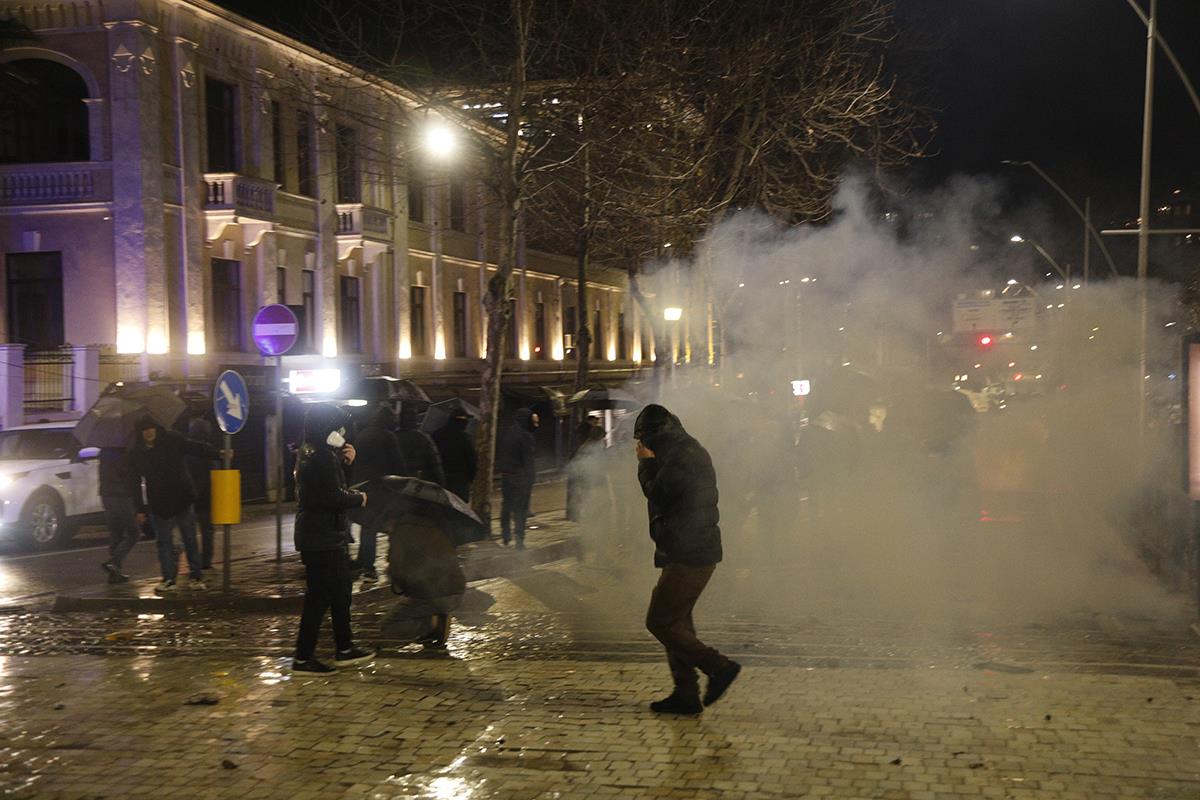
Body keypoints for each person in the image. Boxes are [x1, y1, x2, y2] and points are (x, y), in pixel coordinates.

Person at [635, 403, 740, 715]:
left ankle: (718, 667)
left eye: (643, 440)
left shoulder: (680, 455)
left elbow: (659, 494)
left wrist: (646, 465)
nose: (640, 446)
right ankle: (686, 693)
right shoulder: (682, 451)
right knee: (677, 623)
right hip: (685, 548)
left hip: (690, 552)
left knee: (660, 622)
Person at [291, 403, 375, 673]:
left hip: (323, 535)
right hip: (322, 537)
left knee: (340, 592)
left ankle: (345, 648)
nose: (341, 432)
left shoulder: (311, 452)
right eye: (337, 427)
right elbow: (332, 496)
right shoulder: (321, 457)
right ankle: (303, 658)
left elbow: (330, 487)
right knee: (319, 597)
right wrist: (358, 499)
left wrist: (345, 462)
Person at [127, 415, 221, 593]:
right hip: (159, 503)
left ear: (156, 428)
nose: (148, 432)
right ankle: (169, 579)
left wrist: (218, 453)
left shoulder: (172, 439)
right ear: (140, 433)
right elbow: (134, 482)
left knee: (190, 538)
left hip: (181, 497)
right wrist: (139, 508)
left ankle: (196, 576)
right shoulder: (136, 453)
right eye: (144, 430)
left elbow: (193, 447)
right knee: (164, 542)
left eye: (151, 428)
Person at [381, 512, 467, 653]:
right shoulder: (432, 525)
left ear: (390, 521)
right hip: (455, 591)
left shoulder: (401, 532)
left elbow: (397, 568)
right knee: (419, 606)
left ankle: (433, 624)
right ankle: (434, 633)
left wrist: (396, 581)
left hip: (435, 593)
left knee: (388, 625)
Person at [350, 404, 405, 581]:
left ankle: (364, 561)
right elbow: (397, 464)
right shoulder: (388, 436)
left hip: (362, 485)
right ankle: (375, 566)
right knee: (390, 525)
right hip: (381, 487)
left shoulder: (363, 434)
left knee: (368, 527)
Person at [497, 408, 538, 548]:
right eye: (533, 422)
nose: (535, 425)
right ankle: (519, 539)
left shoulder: (509, 433)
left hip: (506, 476)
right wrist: (531, 478)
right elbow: (528, 460)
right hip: (520, 478)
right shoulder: (525, 436)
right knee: (520, 509)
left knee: (507, 506)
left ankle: (506, 535)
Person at [99, 446, 139, 584]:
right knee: (133, 532)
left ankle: (115, 574)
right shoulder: (122, 453)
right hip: (121, 495)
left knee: (116, 533)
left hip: (106, 495)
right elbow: (125, 473)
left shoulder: (104, 453)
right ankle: (114, 562)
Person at [185, 410, 219, 570]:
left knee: (190, 532)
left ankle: (194, 562)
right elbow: (215, 472)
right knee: (207, 530)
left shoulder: (186, 451)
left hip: (190, 497)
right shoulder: (208, 451)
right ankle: (206, 561)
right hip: (205, 497)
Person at [431, 409, 477, 503]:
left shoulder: (436, 434)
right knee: (460, 508)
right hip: (460, 480)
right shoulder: (464, 437)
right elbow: (472, 460)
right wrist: (471, 478)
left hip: (440, 478)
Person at [395, 403, 445, 485]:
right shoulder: (423, 438)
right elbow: (434, 462)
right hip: (418, 481)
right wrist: (440, 482)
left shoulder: (393, 436)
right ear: (415, 419)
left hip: (396, 480)